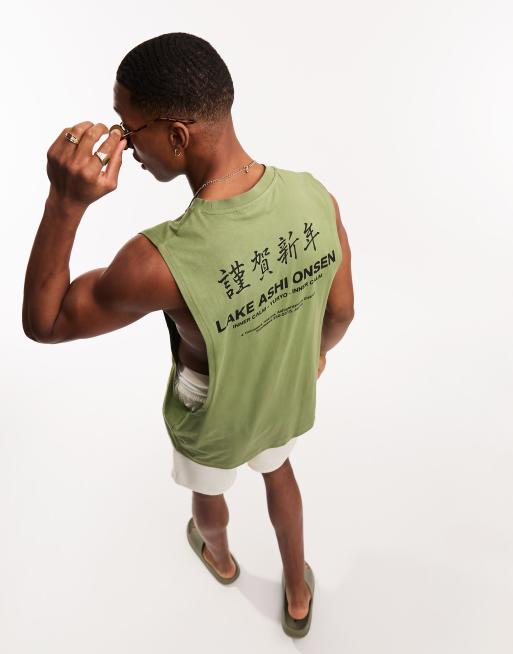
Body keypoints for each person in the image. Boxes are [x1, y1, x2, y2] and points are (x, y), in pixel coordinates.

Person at [22, 32, 354, 635]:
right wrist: (312, 359)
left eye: (129, 130)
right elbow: (342, 313)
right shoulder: (315, 196)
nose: (124, 144)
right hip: (283, 393)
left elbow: (45, 323)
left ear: (177, 137)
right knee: (280, 476)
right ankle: (298, 591)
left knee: (207, 492)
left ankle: (220, 559)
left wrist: (65, 201)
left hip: (212, 408)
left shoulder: (157, 261)